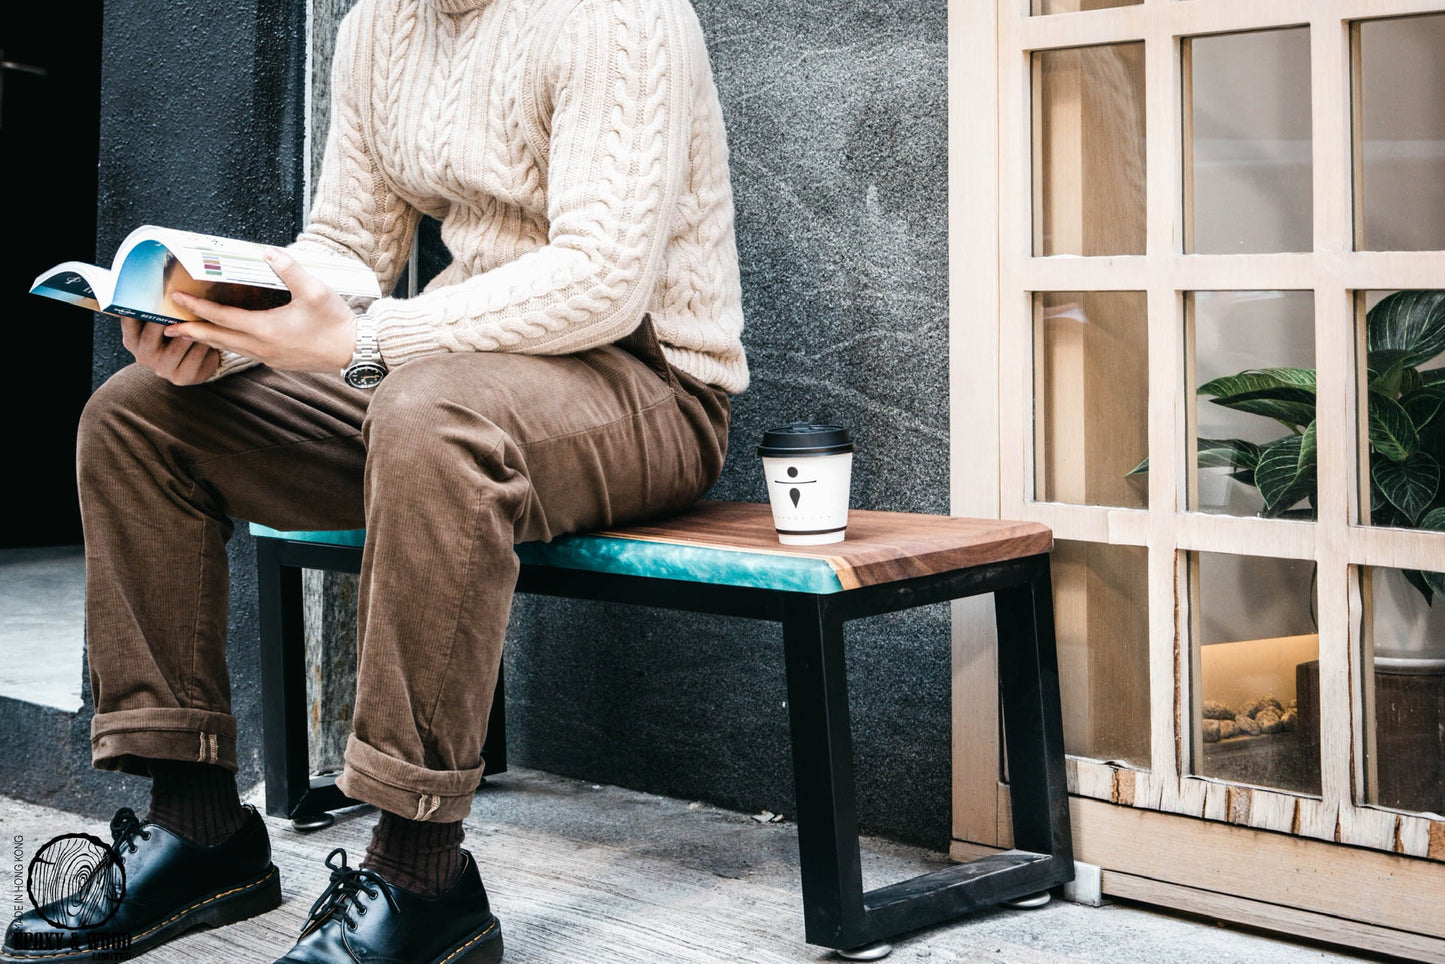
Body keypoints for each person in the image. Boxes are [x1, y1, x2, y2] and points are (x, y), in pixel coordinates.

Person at [2, 0, 746, 959]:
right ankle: (199, 828)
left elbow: (602, 278)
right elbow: (350, 247)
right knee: (139, 417)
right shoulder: (377, 24)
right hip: (443, 376)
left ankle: (420, 873)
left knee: (430, 416)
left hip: (647, 382)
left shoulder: (615, 17)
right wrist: (225, 329)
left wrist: (364, 343)